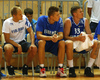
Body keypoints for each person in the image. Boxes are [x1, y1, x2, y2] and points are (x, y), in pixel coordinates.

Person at [64, 6, 98, 77]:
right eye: (80, 12)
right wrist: (77, 38)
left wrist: (89, 36)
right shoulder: (68, 21)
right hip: (73, 41)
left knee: (96, 43)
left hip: (82, 41)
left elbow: (89, 33)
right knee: (69, 43)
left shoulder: (85, 20)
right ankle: (71, 68)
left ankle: (88, 68)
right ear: (75, 14)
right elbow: (66, 37)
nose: (82, 13)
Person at [2, 6, 37, 76]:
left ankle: (25, 66)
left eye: (22, 14)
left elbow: (31, 31)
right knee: (8, 48)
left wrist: (32, 43)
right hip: (10, 42)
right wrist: (17, 45)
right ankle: (9, 66)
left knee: (34, 48)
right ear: (14, 16)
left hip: (22, 41)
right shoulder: (7, 22)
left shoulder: (24, 18)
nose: (22, 15)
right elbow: (7, 39)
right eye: (20, 14)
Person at [35, 6, 67, 77]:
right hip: (44, 43)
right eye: (57, 15)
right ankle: (42, 68)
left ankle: (60, 69)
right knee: (41, 42)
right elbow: (38, 35)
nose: (59, 16)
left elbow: (61, 35)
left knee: (62, 42)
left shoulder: (60, 20)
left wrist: (57, 38)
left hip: (53, 42)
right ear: (51, 16)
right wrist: (50, 37)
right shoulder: (41, 19)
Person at [24, 8, 39, 73]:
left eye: (31, 16)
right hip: (24, 41)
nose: (29, 18)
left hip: (33, 41)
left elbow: (37, 33)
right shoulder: (21, 23)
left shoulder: (35, 23)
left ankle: (37, 66)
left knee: (37, 46)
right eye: (28, 16)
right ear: (25, 16)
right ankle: (25, 66)